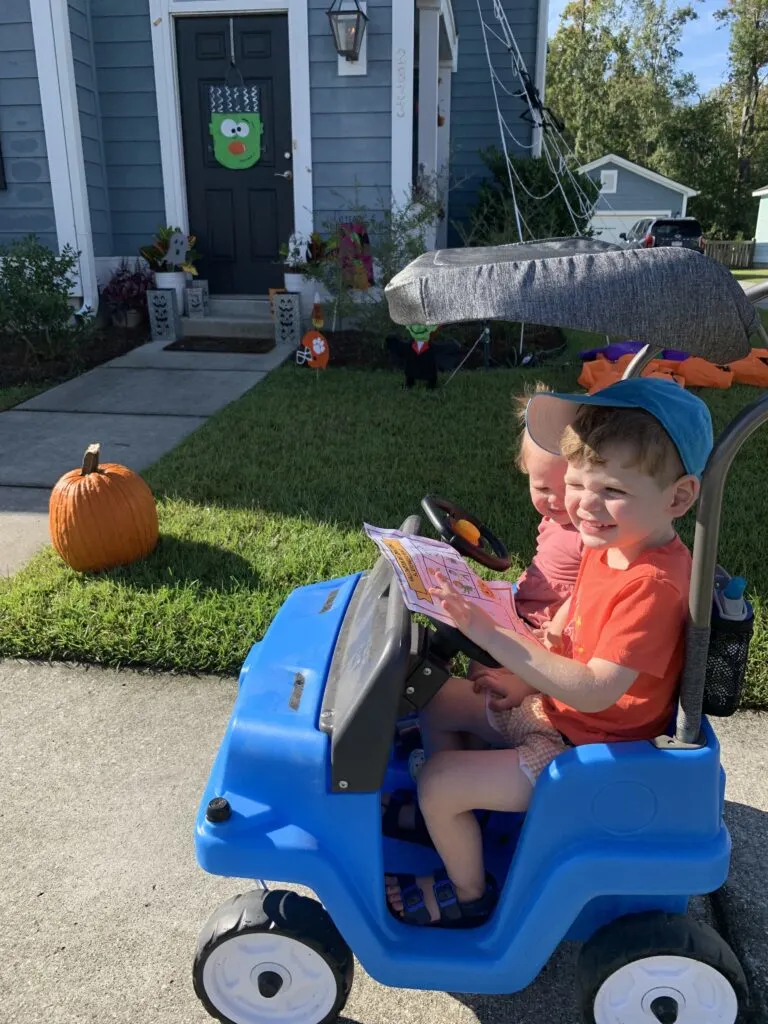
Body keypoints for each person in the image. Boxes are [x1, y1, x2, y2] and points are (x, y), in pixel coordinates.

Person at [384, 377, 713, 928]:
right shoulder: (609, 543)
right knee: (438, 703)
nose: (584, 505)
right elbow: (564, 627)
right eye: (577, 484)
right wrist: (523, 679)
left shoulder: (652, 585)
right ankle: (463, 815)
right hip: (556, 713)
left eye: (610, 490)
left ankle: (468, 896)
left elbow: (595, 686)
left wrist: (494, 637)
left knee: (439, 779)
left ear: (678, 497)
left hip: (584, 749)